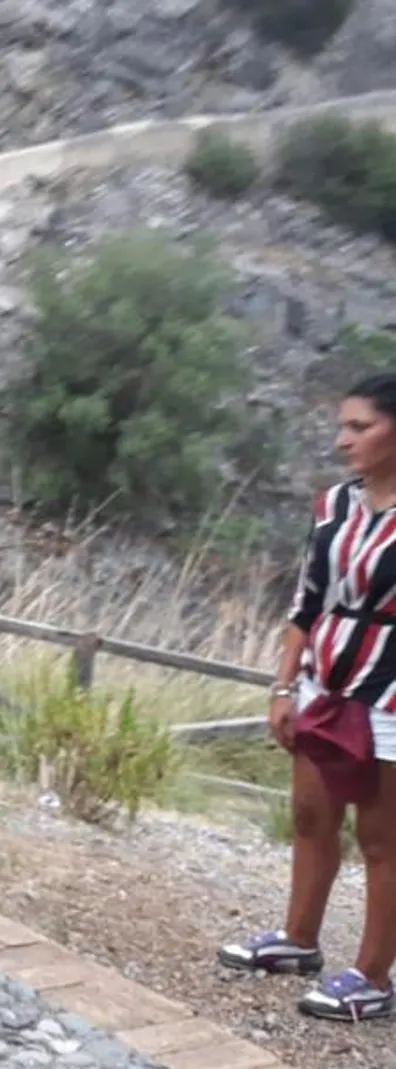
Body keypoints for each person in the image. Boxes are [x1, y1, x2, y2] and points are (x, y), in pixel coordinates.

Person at [217, 372, 396, 1023]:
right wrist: (284, 683)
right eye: (343, 426)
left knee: (382, 836)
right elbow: (306, 602)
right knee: (311, 815)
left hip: (392, 693)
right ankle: (298, 941)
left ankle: (375, 976)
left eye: (360, 427)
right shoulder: (334, 507)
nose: (343, 440)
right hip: (324, 681)